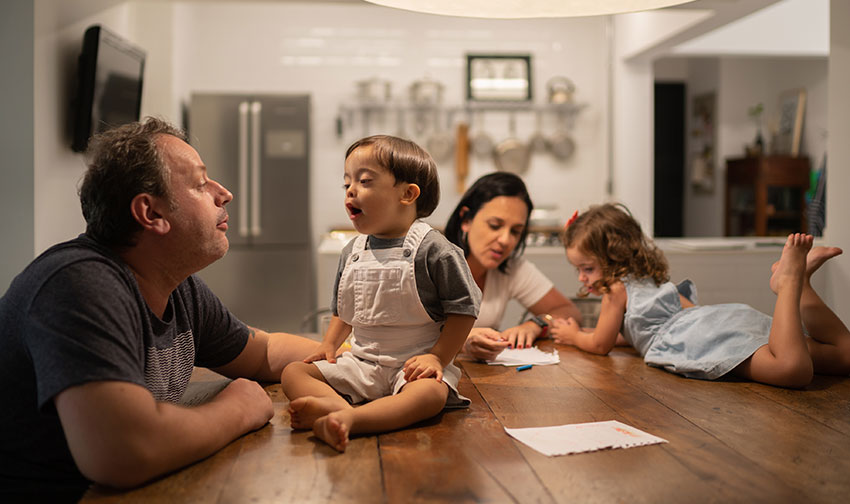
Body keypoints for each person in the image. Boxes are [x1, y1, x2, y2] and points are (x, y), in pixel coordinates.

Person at [0, 118, 319, 501]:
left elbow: (262, 353)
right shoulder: (79, 285)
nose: (225, 193)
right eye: (201, 184)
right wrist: (239, 409)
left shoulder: (175, 286)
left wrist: (366, 359)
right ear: (151, 214)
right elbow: (122, 452)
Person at [281, 135, 480, 452]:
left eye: (364, 181)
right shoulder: (353, 251)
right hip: (361, 365)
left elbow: (464, 309)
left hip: (413, 369)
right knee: (294, 371)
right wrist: (329, 346)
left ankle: (351, 420)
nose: (350, 190)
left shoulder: (435, 250)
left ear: (407, 194)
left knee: (431, 395)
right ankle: (338, 412)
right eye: (347, 182)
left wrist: (438, 358)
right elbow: (342, 311)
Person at [551, 203, 850, 388]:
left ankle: (790, 282)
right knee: (842, 356)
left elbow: (601, 344)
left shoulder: (616, 290)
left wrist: (575, 334)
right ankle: (803, 285)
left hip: (698, 338)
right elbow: (635, 332)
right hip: (715, 319)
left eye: (587, 268)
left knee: (791, 370)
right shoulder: (649, 281)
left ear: (613, 257)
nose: (582, 277)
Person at [444, 172, 582, 361]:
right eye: (494, 225)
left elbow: (569, 312)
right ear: (466, 219)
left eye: (516, 231)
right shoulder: (434, 262)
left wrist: (537, 324)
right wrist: (463, 342)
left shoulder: (510, 267)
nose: (505, 240)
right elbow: (403, 337)